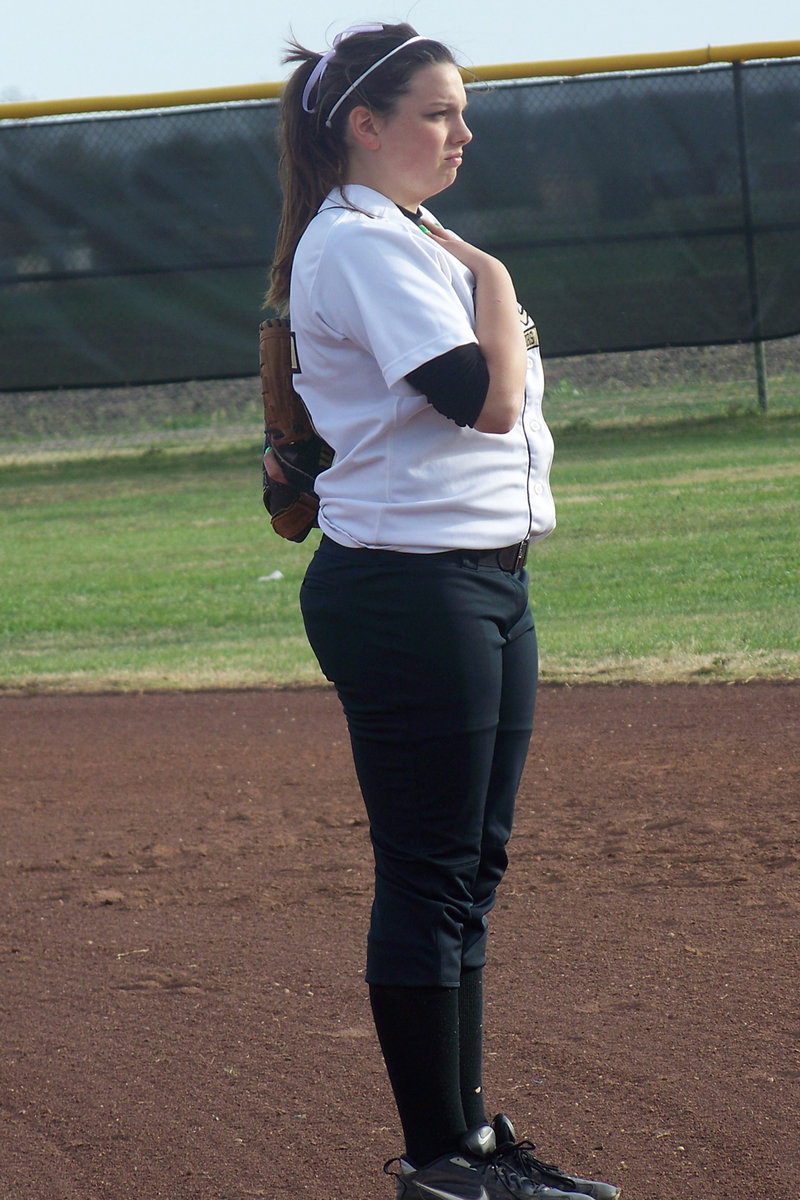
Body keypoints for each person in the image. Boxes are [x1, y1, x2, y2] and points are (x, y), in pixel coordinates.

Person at [266, 23, 620, 1200]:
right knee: (430, 872)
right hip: (412, 587)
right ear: (363, 126)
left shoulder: (402, 235)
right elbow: (477, 401)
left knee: (470, 866)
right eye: (436, 113)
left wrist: (478, 284)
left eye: (461, 114)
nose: (461, 134)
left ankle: (470, 1144)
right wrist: (502, 291)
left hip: (477, 579)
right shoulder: (366, 246)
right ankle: (438, 1156)